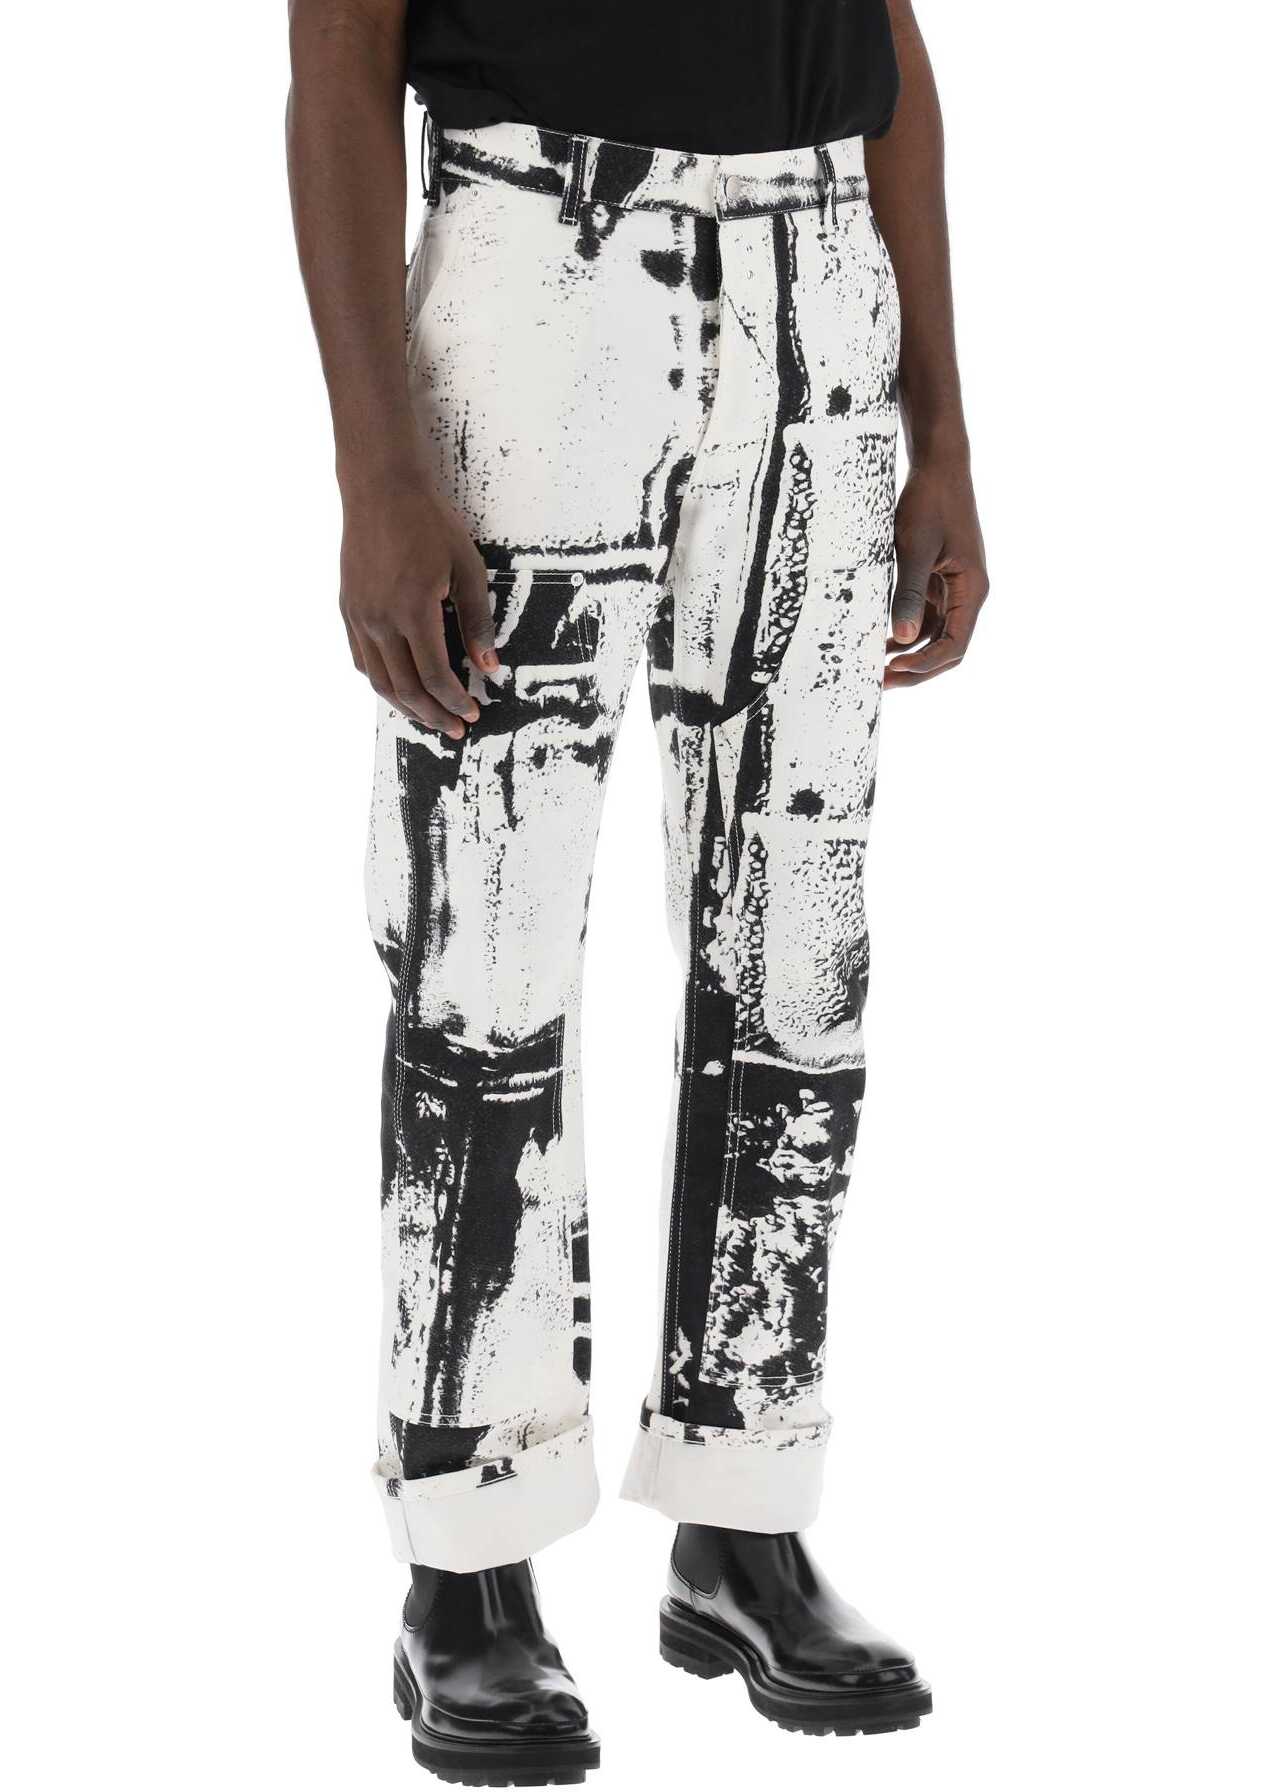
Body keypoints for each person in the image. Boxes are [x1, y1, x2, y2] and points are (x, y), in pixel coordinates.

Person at [287, 0, 988, 1780]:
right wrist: (378, 469)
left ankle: (744, 1515)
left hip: (822, 284)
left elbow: (888, 43)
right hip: (541, 270)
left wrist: (944, 432)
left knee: (796, 947)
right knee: (487, 948)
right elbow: (338, 68)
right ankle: (466, 1562)